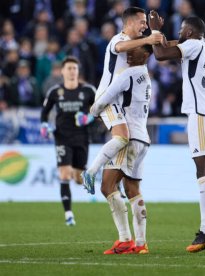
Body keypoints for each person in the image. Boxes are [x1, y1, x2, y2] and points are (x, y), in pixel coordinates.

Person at [149, 11, 205, 253]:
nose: (178, 34)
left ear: (189, 32)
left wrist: (153, 30)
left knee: (202, 168)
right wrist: (161, 33)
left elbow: (160, 54)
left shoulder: (192, 44)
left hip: (200, 113)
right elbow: (168, 44)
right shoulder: (202, 45)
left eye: (181, 30)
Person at [81, 7, 164, 193]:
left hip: (117, 100)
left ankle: (104, 174)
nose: (145, 26)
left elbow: (154, 49)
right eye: (142, 22)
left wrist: (159, 34)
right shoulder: (118, 40)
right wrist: (149, 38)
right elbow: (119, 48)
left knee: (123, 139)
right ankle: (91, 171)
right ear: (129, 23)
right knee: (122, 137)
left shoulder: (136, 42)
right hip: (106, 97)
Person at [87, 43, 153, 254]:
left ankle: (125, 240)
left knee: (107, 186)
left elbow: (104, 97)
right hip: (143, 139)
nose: (129, 54)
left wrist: (94, 110)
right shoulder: (146, 76)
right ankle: (141, 244)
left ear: (146, 54)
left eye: (135, 51)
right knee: (133, 190)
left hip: (129, 137)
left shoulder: (129, 73)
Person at [40, 56, 95, 226]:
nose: (72, 72)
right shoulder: (55, 92)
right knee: (64, 174)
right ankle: (68, 214)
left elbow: (100, 110)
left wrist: (88, 118)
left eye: (74, 69)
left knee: (78, 179)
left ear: (78, 72)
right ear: (62, 71)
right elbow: (45, 112)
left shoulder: (88, 91)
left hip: (82, 138)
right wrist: (44, 126)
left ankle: (78, 175)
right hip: (62, 137)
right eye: (69, 68)